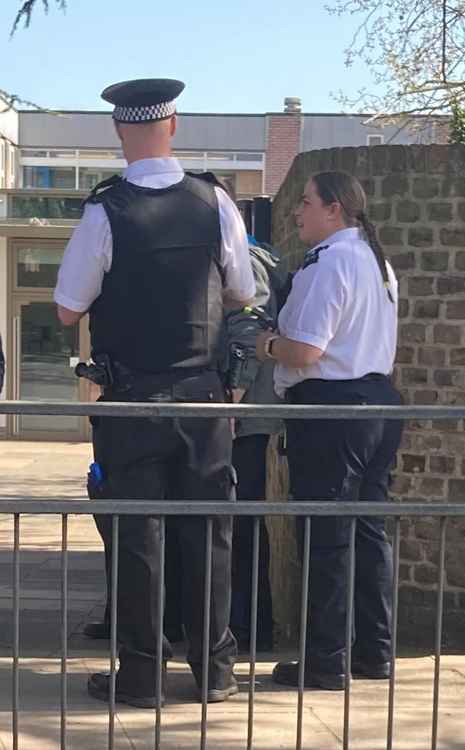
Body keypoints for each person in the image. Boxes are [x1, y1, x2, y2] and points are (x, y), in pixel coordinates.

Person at [54, 78, 255, 707]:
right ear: (175, 126)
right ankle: (214, 670)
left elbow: (65, 308)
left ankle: (142, 674)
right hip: (203, 398)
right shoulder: (215, 201)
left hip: (130, 401)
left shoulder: (103, 209)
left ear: (120, 132)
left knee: (137, 536)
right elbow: (243, 289)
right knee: (210, 534)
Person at [256, 170, 402, 688]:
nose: (297, 212)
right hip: (378, 403)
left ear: (334, 208)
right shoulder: (377, 261)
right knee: (367, 533)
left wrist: (267, 346)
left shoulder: (331, 263)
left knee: (326, 537)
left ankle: (325, 661)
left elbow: (307, 350)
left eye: (306, 202)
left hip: (333, 410)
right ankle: (373, 651)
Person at [226, 240, 288, 652]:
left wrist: (233, 397)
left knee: (241, 519)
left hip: (244, 416)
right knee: (241, 518)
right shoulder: (248, 256)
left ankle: (251, 626)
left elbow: (251, 328)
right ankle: (248, 624)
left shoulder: (245, 260)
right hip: (247, 413)